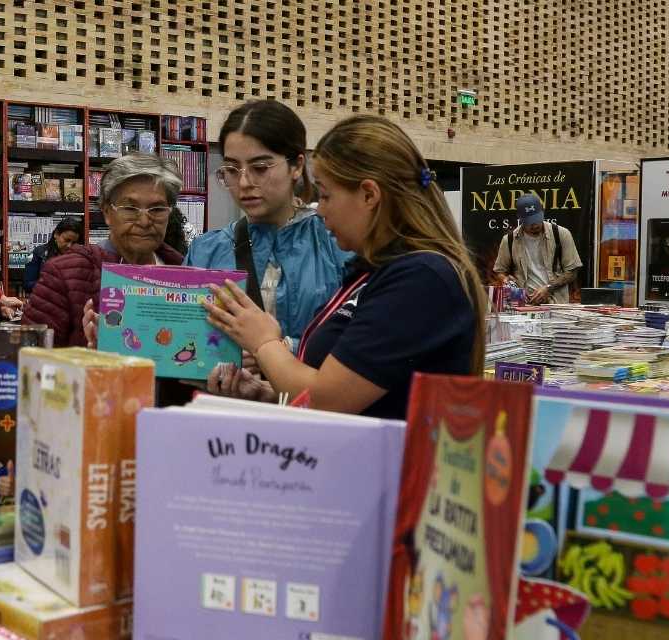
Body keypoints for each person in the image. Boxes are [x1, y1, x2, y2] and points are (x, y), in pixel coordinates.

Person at [202, 114, 486, 420]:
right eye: (233, 169)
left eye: (325, 195)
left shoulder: (420, 279)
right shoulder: (378, 271)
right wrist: (272, 396)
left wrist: (264, 342)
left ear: (369, 195)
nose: (320, 210)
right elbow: (359, 394)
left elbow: (327, 399)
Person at [187, 100, 352, 348]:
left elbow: (365, 340)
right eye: (232, 169)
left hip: (313, 385)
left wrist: (284, 350)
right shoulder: (206, 251)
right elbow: (186, 339)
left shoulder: (336, 242)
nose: (244, 182)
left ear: (296, 165)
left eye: (260, 167)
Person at [24, 153, 184, 347]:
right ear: (107, 212)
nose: (144, 222)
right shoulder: (65, 273)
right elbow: (29, 361)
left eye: (157, 209)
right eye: (130, 208)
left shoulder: (184, 272)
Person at [493, 194, 582, 305]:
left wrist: (548, 288)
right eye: (529, 221)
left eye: (537, 219)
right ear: (520, 218)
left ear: (542, 212)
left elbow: (572, 272)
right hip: (524, 305)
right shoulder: (509, 240)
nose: (534, 224)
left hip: (556, 304)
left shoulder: (561, 234)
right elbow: (500, 271)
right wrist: (506, 280)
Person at [22, 217, 83, 294]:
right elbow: (27, 285)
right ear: (56, 234)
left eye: (74, 243)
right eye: (66, 240)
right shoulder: (36, 253)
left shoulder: (79, 257)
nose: (69, 246)